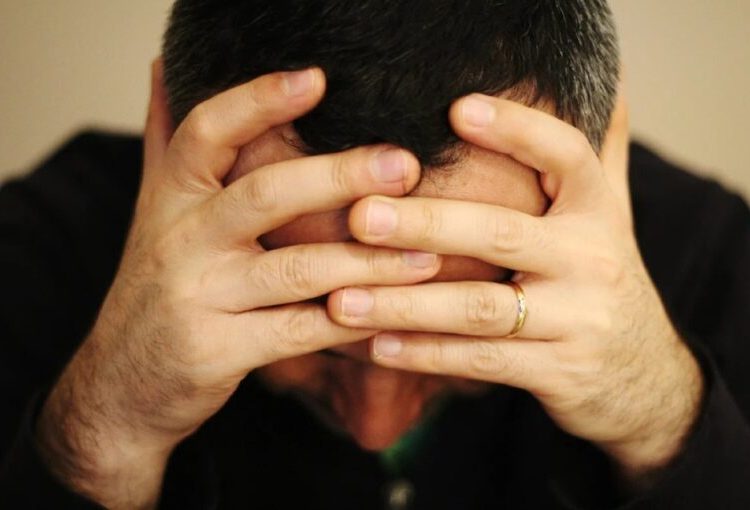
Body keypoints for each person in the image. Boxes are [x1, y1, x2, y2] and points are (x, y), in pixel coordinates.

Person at [1, 0, 748, 508]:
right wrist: (100, 440)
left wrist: (667, 424)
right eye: (298, 307)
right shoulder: (36, 255)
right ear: (170, 129)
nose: (375, 425)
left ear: (600, 133)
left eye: (471, 314)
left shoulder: (714, 259)